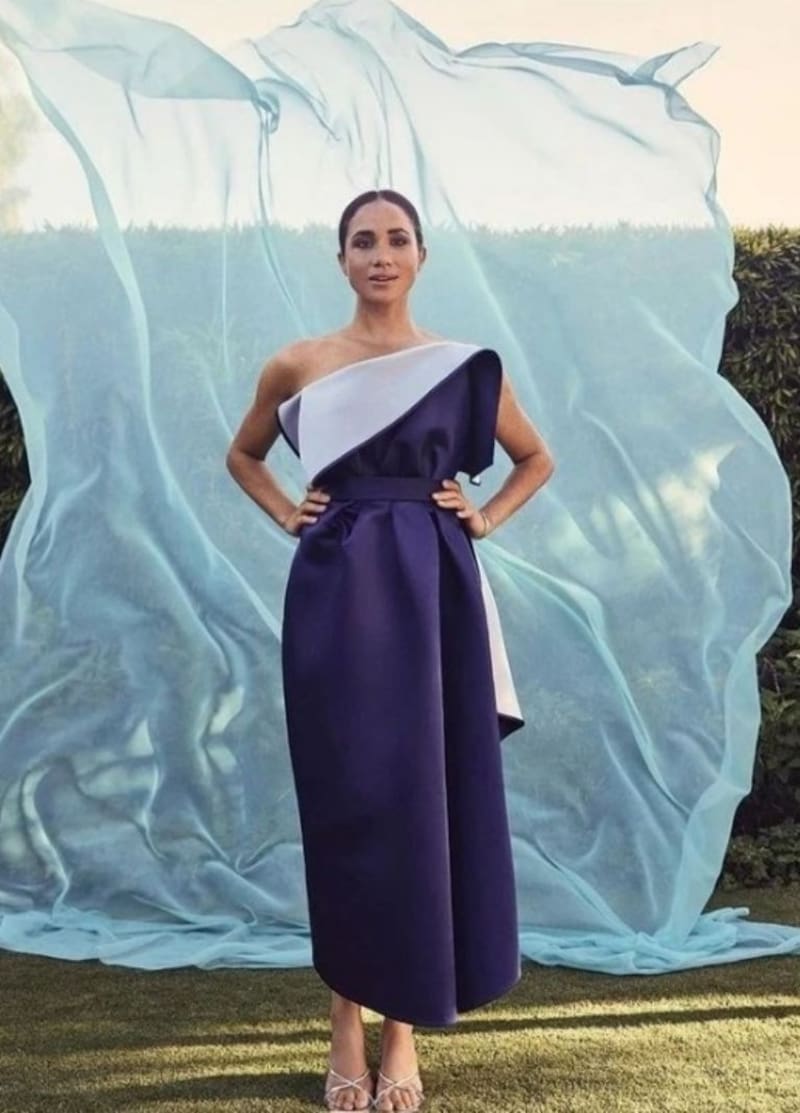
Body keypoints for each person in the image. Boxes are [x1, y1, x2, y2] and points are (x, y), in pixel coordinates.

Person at [226, 188, 555, 1112]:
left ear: (420, 255)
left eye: (397, 239)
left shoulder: (462, 366)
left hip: (436, 589)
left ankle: (403, 1028)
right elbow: (243, 455)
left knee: (424, 795)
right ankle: (344, 1019)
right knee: (349, 797)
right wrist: (287, 511)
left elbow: (536, 457)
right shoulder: (298, 362)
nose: (381, 254)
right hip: (335, 591)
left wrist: (483, 517)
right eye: (363, 241)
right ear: (341, 259)